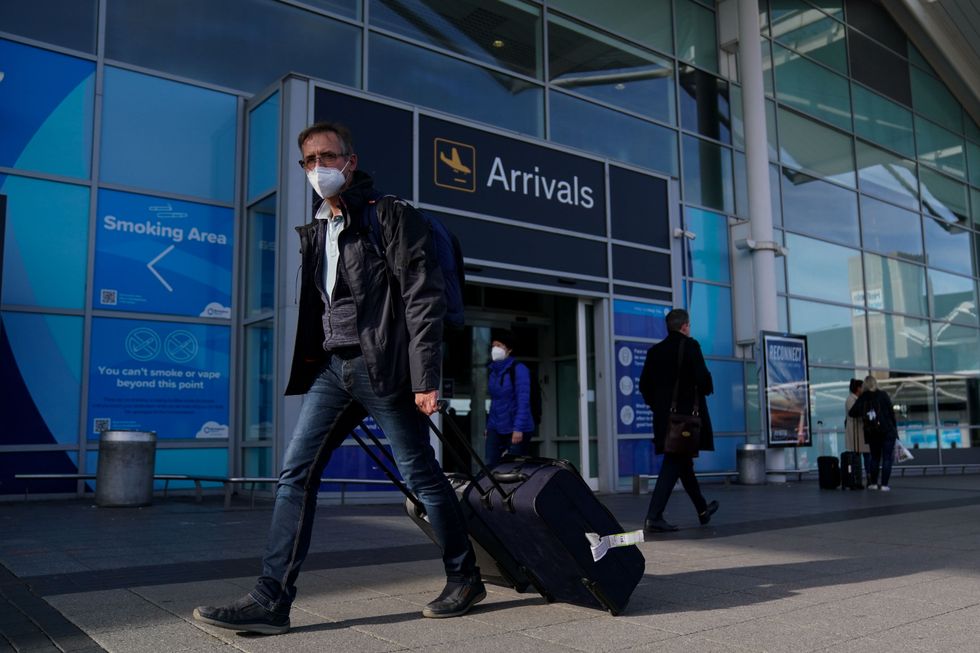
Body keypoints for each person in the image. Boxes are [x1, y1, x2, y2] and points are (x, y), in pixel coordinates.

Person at [193, 122, 484, 635]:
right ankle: (271, 599)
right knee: (295, 476)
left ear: (350, 162)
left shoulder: (391, 216)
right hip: (334, 368)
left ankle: (464, 577)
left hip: (385, 368)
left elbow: (422, 299)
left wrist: (425, 377)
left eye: (328, 157)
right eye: (309, 160)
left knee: (420, 478)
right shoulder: (319, 228)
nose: (318, 167)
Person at [639, 308, 719, 532]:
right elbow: (704, 382)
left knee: (683, 464)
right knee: (674, 461)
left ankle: (703, 511)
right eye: (689, 325)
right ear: (685, 326)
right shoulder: (690, 346)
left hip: (663, 419)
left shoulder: (654, 352)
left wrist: (659, 407)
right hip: (684, 421)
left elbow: (644, 386)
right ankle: (653, 516)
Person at [485, 331, 535, 466]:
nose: (495, 349)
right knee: (490, 463)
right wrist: (489, 426)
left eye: (499, 345)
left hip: (515, 427)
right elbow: (495, 401)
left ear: (509, 350)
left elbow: (523, 401)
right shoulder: (493, 371)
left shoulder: (519, 369)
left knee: (514, 466)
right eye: (493, 345)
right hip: (496, 426)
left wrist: (518, 428)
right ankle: (491, 488)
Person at [848, 375, 898, 491]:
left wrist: (865, 413)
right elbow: (891, 414)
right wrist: (895, 431)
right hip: (887, 431)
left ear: (865, 385)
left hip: (872, 432)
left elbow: (852, 413)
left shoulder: (863, 397)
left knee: (874, 458)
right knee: (886, 459)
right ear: (875, 383)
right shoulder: (883, 395)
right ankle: (884, 485)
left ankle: (874, 484)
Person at [844, 378, 871, 487]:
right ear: (858, 388)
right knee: (857, 455)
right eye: (862, 387)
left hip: (862, 431)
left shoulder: (859, 398)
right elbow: (854, 413)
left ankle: (869, 477)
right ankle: (857, 479)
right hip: (855, 431)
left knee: (867, 455)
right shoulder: (851, 399)